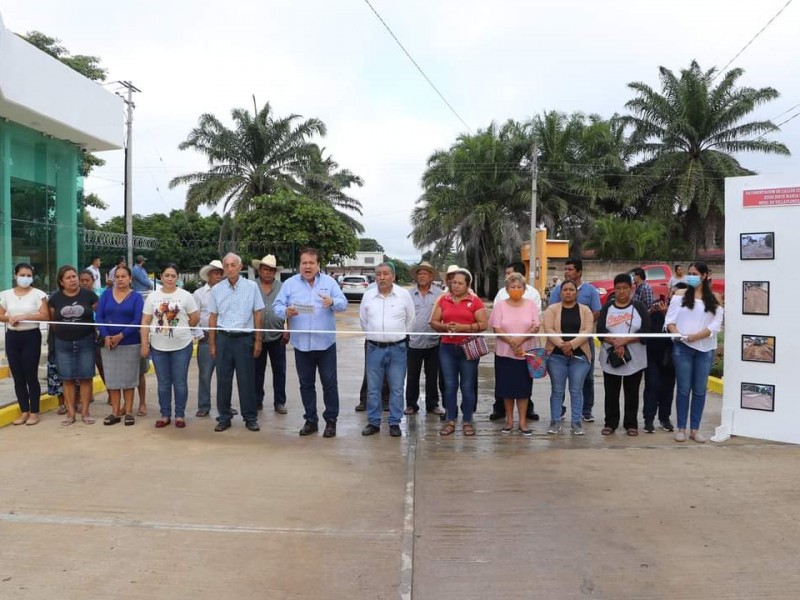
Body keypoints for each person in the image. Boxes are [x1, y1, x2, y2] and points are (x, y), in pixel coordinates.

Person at [274, 247, 347, 438]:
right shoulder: (289, 284)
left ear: (318, 265)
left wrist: (332, 302)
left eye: (311, 263)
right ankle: (311, 420)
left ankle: (331, 421)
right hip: (301, 344)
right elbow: (277, 306)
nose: (307, 266)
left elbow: (344, 303)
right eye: (304, 263)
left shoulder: (330, 283)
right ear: (300, 265)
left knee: (329, 384)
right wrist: (285, 312)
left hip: (325, 344)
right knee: (306, 384)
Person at [665, 261, 723, 443]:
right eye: (689, 273)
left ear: (705, 275)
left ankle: (695, 429)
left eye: (695, 273)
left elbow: (715, 325)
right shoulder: (679, 296)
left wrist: (696, 336)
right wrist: (680, 336)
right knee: (683, 390)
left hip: (705, 350)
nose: (691, 276)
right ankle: (681, 427)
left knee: (699, 391)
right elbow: (669, 321)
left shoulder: (714, 298)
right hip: (683, 348)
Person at [208, 253, 264, 432]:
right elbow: (213, 317)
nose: (230, 269)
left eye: (233, 265)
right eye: (227, 266)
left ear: (240, 267)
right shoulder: (217, 290)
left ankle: (250, 417)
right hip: (224, 338)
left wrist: (258, 341)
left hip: (244, 339)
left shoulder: (251, 287)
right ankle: (224, 417)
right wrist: (212, 343)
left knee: (246, 380)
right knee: (223, 380)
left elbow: (258, 314)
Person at [429, 267, 488, 437]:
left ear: (467, 285)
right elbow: (433, 322)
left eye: (459, 283)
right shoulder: (443, 300)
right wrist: (444, 327)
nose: (455, 286)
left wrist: (464, 328)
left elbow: (483, 324)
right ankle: (450, 420)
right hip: (447, 348)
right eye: (453, 282)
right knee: (449, 386)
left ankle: (468, 421)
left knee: (467, 386)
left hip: (468, 348)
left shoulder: (475, 301)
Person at [359, 263, 415, 437]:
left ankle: (394, 422)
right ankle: (374, 422)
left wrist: (397, 338)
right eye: (378, 274)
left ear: (393, 276)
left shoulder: (403, 295)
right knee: (373, 388)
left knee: (397, 388)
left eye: (385, 274)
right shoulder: (368, 296)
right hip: (374, 349)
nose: (382, 277)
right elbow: (364, 322)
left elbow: (410, 321)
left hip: (397, 349)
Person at [141, 263, 199, 429]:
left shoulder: (186, 296)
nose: (170, 278)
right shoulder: (152, 297)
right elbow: (145, 321)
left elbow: (194, 317)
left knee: (180, 382)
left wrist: (183, 329)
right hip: (158, 347)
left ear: (177, 278)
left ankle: (179, 415)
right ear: (161, 276)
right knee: (163, 383)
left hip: (182, 345)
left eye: (173, 276)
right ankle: (165, 414)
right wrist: (145, 343)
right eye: (167, 275)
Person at [597, 274, 651, 437]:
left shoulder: (639, 306)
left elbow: (647, 331)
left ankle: (631, 424)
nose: (621, 292)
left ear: (631, 289)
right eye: (618, 288)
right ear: (614, 290)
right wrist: (615, 342)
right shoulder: (607, 307)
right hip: (611, 356)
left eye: (625, 288)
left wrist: (626, 340)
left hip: (634, 359)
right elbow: (600, 331)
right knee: (611, 392)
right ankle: (610, 423)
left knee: (632, 392)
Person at [549, 258, 601, 422]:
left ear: (579, 272)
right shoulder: (558, 290)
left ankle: (586, 411)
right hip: (558, 345)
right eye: (566, 269)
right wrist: (564, 344)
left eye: (570, 269)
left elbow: (596, 312)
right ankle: (560, 412)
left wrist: (578, 337)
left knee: (588, 378)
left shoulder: (590, 290)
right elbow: (551, 315)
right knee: (559, 383)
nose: (567, 272)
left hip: (584, 343)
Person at [490, 261, 542, 422]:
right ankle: (509, 421)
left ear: (524, 288)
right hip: (505, 352)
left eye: (519, 287)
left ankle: (523, 422)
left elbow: (536, 325)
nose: (516, 289)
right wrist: (511, 341)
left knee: (524, 389)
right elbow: (496, 327)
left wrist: (520, 339)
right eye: (512, 287)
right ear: (507, 289)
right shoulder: (500, 304)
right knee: (506, 388)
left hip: (526, 352)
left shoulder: (532, 302)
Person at [49, 265, 99, 426]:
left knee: (86, 377)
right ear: (61, 282)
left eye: (74, 276)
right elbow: (52, 323)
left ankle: (85, 412)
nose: (73, 280)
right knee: (67, 378)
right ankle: (71, 413)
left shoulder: (89, 295)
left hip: (86, 341)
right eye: (68, 278)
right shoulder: (55, 299)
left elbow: (101, 315)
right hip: (63, 343)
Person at [542, 279, 594, 435]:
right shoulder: (551, 309)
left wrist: (571, 345)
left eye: (571, 289)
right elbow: (549, 329)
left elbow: (588, 330)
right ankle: (555, 421)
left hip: (580, 358)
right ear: (560, 292)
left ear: (576, 292)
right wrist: (561, 345)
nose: (568, 292)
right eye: (565, 290)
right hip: (556, 357)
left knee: (576, 390)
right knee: (557, 391)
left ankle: (576, 422)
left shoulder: (585, 310)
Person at [0, 263, 49, 426]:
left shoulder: (38, 294)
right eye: (22, 274)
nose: (25, 278)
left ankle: (34, 412)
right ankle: (24, 411)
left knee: (30, 375)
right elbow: (1, 314)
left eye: (29, 275)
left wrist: (24, 316)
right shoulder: (5, 294)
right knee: (18, 376)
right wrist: (10, 318)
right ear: (15, 275)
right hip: (13, 337)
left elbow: (45, 315)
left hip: (31, 336)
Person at [96, 265, 144, 426]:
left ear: (130, 279)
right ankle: (115, 412)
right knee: (113, 379)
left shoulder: (136, 297)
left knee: (128, 379)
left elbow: (137, 320)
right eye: (117, 276)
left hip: (130, 343)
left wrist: (121, 336)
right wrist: (106, 335)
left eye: (124, 276)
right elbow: (99, 317)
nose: (120, 279)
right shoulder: (106, 295)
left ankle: (128, 412)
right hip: (108, 344)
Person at [404, 261, 445, 416]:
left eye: (425, 273)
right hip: (413, 341)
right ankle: (411, 405)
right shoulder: (408, 294)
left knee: (432, 375)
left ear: (431, 277)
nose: (422, 276)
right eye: (420, 273)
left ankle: (432, 405)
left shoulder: (439, 294)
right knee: (412, 375)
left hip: (434, 341)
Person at [251, 254, 288, 414]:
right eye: (265, 269)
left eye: (271, 270)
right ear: (259, 270)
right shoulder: (251, 286)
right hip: (256, 337)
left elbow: (289, 308)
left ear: (275, 272)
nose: (268, 273)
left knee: (279, 371)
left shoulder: (282, 287)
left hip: (277, 336)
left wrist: (288, 329)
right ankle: (257, 400)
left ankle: (279, 402)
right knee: (257, 371)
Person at [642, 285, 681, 433]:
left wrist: (667, 316)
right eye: (673, 292)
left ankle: (664, 418)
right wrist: (651, 311)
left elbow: (681, 333)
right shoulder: (657, 305)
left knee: (667, 388)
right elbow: (643, 323)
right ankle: (649, 419)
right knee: (652, 385)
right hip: (653, 353)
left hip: (671, 355)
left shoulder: (684, 311)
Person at [193, 259, 223, 417]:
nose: (218, 276)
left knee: (224, 374)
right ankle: (204, 405)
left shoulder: (226, 292)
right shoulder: (198, 294)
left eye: (220, 273)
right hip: (205, 336)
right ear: (209, 275)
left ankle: (224, 405)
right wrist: (200, 335)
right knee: (205, 374)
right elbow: (193, 317)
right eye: (216, 273)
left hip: (223, 337)